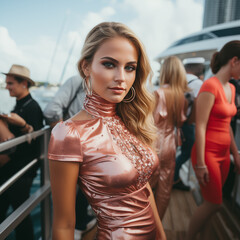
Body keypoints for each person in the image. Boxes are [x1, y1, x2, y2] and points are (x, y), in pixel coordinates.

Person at [48, 22, 166, 240]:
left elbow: (144, 189)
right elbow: (64, 225)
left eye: (130, 67)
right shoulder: (68, 134)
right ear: (86, 67)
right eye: (110, 64)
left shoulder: (129, 119)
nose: (121, 77)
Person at [186, 40, 240, 240]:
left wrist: (235, 154)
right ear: (234, 61)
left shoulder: (232, 88)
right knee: (214, 203)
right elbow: (199, 125)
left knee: (211, 202)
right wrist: (200, 165)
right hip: (206, 153)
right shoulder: (210, 86)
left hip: (224, 154)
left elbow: (226, 124)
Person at [43, 75, 96, 239]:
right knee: (68, 201)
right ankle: (78, 227)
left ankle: (80, 223)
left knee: (80, 192)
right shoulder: (77, 81)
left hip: (89, 147)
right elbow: (51, 110)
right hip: (77, 146)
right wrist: (64, 135)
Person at [0, 64, 43, 240]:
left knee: (20, 217)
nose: (7, 86)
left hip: (21, 171)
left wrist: (21, 125)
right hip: (13, 167)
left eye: (10, 83)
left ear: (23, 83)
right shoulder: (20, 106)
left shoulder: (32, 107)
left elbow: (36, 140)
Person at [151, 56, 190, 219]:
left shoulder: (158, 93)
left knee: (146, 186)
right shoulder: (181, 96)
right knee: (165, 188)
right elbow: (181, 122)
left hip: (155, 143)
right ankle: (158, 225)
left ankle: (142, 225)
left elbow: (151, 122)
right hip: (171, 144)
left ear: (165, 72)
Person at [173, 57, 204, 191]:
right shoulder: (197, 83)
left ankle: (172, 177)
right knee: (187, 151)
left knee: (181, 150)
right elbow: (198, 105)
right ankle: (174, 178)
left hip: (177, 121)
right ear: (196, 67)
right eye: (201, 66)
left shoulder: (178, 80)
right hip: (188, 123)